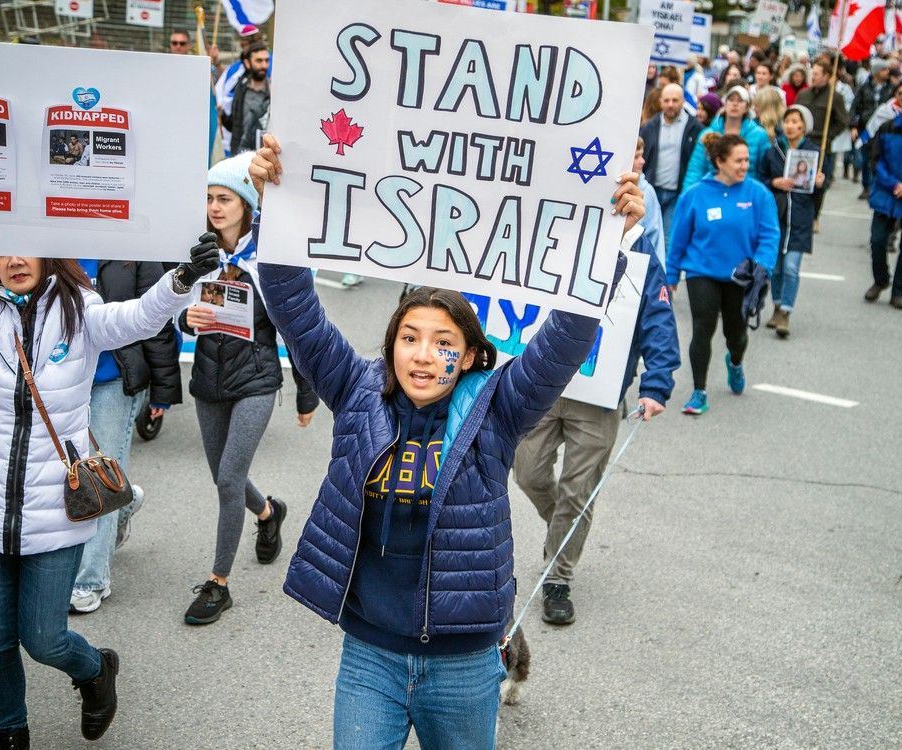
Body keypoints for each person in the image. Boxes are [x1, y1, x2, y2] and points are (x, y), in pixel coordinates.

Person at [249, 133, 644, 749]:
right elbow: (295, 307)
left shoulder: (497, 406)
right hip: (369, 657)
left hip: (463, 666)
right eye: (410, 337)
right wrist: (277, 209)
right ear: (391, 344)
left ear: (467, 355)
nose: (425, 355)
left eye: (443, 343)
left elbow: (565, 336)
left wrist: (608, 242)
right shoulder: (357, 389)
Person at [0, 245, 218, 749]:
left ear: (51, 252)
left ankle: (97, 670)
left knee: (44, 638)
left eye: (25, 247)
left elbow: (138, 317)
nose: (13, 260)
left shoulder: (82, 310)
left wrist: (181, 280)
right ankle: (7, 734)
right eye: (0, 252)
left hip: (57, 509)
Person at [512, 228, 679, 627]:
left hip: (601, 393)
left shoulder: (639, 248)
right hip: (543, 381)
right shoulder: (556, 223)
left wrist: (656, 381)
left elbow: (657, 314)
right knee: (528, 472)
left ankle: (558, 579)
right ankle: (564, 530)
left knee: (579, 491)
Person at [179, 153, 318, 626]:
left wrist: (305, 392)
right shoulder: (200, 251)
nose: (215, 208)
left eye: (224, 198)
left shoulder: (267, 256)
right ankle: (267, 512)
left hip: (257, 381)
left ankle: (218, 584)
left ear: (245, 202)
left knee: (226, 479)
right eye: (209, 199)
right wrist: (185, 317)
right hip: (208, 380)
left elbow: (295, 325)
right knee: (225, 474)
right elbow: (171, 305)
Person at [68, 260, 182, 614]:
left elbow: (156, 316)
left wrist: (163, 390)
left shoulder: (130, 249)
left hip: (112, 379)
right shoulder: (49, 244)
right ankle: (126, 499)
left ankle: (90, 581)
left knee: (98, 476)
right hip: (61, 378)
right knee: (70, 473)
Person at [668, 133, 780, 415]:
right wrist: (671, 276)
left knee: (736, 334)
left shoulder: (758, 194)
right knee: (702, 330)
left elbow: (770, 235)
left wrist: (762, 265)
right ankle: (699, 391)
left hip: (741, 277)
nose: (745, 165)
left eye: (747, 160)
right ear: (720, 161)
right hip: (701, 272)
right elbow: (678, 238)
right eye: (738, 160)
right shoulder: (695, 194)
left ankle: (735, 362)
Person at [762, 105, 824, 337]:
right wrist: (774, 183)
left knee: (791, 267)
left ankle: (786, 312)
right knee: (776, 267)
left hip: (799, 218)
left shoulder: (814, 152)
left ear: (804, 126)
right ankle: (777, 305)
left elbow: (819, 192)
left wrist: (819, 183)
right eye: (787, 121)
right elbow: (762, 178)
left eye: (795, 121)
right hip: (776, 216)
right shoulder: (774, 149)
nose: (790, 126)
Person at [640, 83, 703, 250]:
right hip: (652, 191)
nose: (670, 104)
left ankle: (664, 275)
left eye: (675, 100)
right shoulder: (648, 128)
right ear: (660, 102)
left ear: (683, 101)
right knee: (646, 235)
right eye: (666, 100)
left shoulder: (695, 128)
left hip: (676, 193)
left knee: (668, 239)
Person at [863, 80, 902, 309]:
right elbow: (876, 160)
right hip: (887, 192)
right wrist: (894, 185)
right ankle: (881, 280)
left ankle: (899, 290)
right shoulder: (888, 127)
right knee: (877, 240)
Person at [683, 86, 771, 192]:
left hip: (746, 195)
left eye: (740, 100)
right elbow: (696, 169)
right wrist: (687, 198)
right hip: (713, 193)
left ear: (747, 107)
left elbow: (764, 172)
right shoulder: (708, 133)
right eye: (731, 99)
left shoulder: (759, 135)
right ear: (725, 104)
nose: (735, 104)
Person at [796, 58, 849, 230]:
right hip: (802, 142)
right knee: (799, 180)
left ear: (827, 76)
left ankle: (815, 216)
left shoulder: (836, 97)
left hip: (821, 145)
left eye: (817, 74)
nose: (813, 77)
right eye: (812, 73)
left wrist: (829, 136)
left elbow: (842, 121)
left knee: (819, 183)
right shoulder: (803, 94)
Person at [851, 59, 895, 200]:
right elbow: (855, 107)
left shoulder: (892, 89)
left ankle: (879, 186)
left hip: (886, 130)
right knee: (866, 159)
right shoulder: (864, 88)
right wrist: (853, 126)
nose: (887, 72)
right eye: (883, 70)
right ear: (876, 72)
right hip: (867, 130)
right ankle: (866, 187)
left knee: (881, 159)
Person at [222, 42, 271, 156]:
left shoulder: (275, 91)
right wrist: (221, 115)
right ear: (247, 63)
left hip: (263, 159)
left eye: (266, 60)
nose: (264, 65)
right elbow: (234, 125)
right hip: (239, 155)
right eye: (259, 61)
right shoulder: (240, 88)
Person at [634, 136, 665, 267]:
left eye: (642, 155)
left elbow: (655, 236)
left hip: (637, 265)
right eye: (636, 157)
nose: (643, 161)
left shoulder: (647, 192)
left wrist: (660, 269)